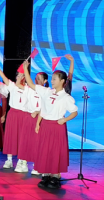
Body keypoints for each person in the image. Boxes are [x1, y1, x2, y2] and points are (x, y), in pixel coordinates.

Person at [22, 60, 78, 189]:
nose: (52, 81)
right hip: (45, 126)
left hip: (57, 127)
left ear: (62, 81)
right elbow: (31, 85)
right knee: (44, 150)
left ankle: (55, 176)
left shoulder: (66, 97)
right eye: (52, 79)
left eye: (54, 79)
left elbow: (74, 112)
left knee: (55, 151)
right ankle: (45, 174)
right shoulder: (47, 92)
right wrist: (25, 69)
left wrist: (64, 120)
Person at [0, 62, 29, 172]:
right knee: (11, 136)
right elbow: (4, 77)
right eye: (18, 75)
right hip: (13, 114)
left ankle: (22, 161)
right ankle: (9, 159)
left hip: (24, 115)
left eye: (22, 75)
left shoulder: (28, 89)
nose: (19, 77)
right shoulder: (12, 86)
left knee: (22, 138)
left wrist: (25, 69)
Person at [19, 71, 49, 176]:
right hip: (29, 117)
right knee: (26, 141)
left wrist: (37, 111)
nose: (37, 80)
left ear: (45, 81)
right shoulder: (30, 89)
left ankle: (37, 165)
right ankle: (24, 163)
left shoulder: (47, 92)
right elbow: (20, 84)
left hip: (40, 119)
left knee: (37, 143)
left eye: (39, 78)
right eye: (36, 78)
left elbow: (46, 107)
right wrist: (22, 73)